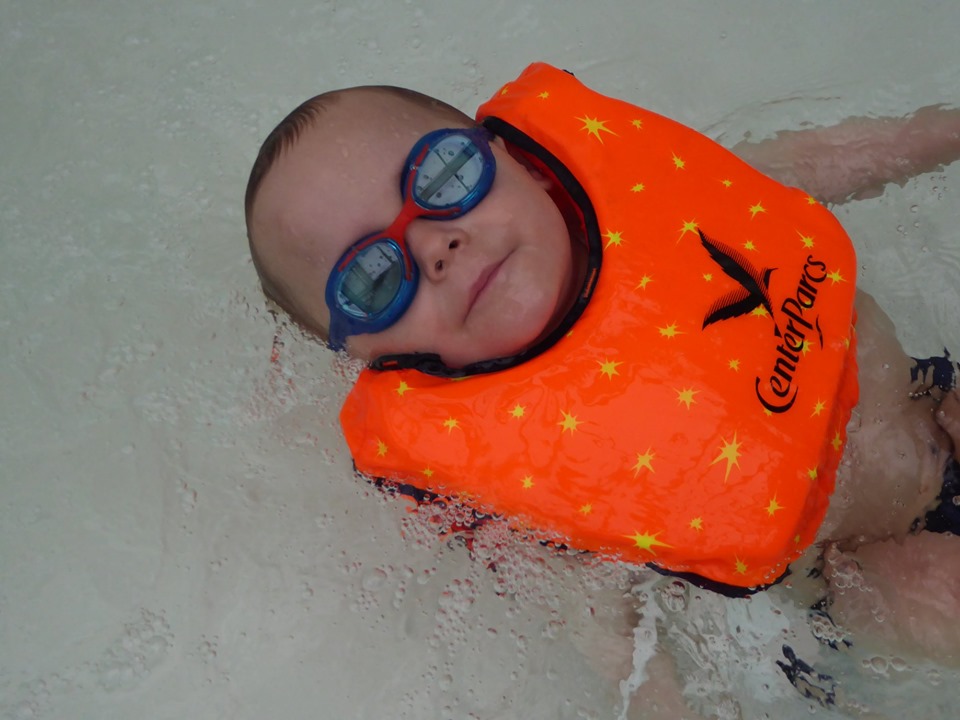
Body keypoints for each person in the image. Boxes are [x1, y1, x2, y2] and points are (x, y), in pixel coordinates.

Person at [244, 63, 960, 668]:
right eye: (372, 277)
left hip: (928, 399)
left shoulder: (665, 197)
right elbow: (617, 647)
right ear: (370, 358)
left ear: (519, 158)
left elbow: (831, 158)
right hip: (849, 572)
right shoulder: (522, 492)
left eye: (442, 175)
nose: (436, 244)